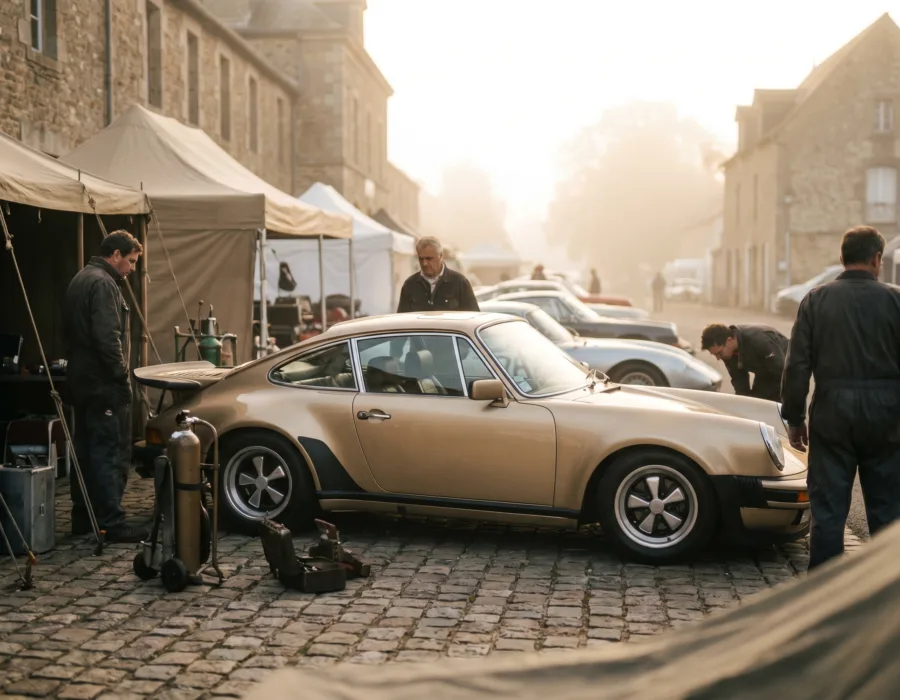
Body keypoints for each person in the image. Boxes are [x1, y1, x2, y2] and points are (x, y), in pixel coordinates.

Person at [782, 225, 900, 571]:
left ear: (841, 258)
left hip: (832, 410)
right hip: (888, 413)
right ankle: (882, 593)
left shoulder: (816, 300)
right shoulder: (896, 301)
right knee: (888, 508)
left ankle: (824, 588)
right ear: (877, 258)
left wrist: (794, 418)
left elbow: (797, 365)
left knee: (829, 510)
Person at [64, 230, 147, 542]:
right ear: (115, 255)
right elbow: (108, 339)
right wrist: (121, 378)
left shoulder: (81, 278)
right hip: (102, 383)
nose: (133, 268)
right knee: (108, 452)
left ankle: (83, 516)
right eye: (131, 261)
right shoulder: (103, 283)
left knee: (85, 452)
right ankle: (111, 522)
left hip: (82, 380)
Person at [700, 323, 788, 401]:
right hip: (764, 373)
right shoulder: (728, 353)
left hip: (789, 371)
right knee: (754, 402)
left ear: (729, 341)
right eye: (715, 354)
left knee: (778, 407)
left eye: (719, 353)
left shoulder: (759, 341)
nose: (718, 358)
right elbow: (739, 382)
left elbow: (782, 372)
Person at [397, 236, 479, 312]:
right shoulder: (410, 285)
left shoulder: (460, 283)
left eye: (429, 258)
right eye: (421, 259)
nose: (424, 263)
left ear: (440, 256)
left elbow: (474, 317)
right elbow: (401, 321)